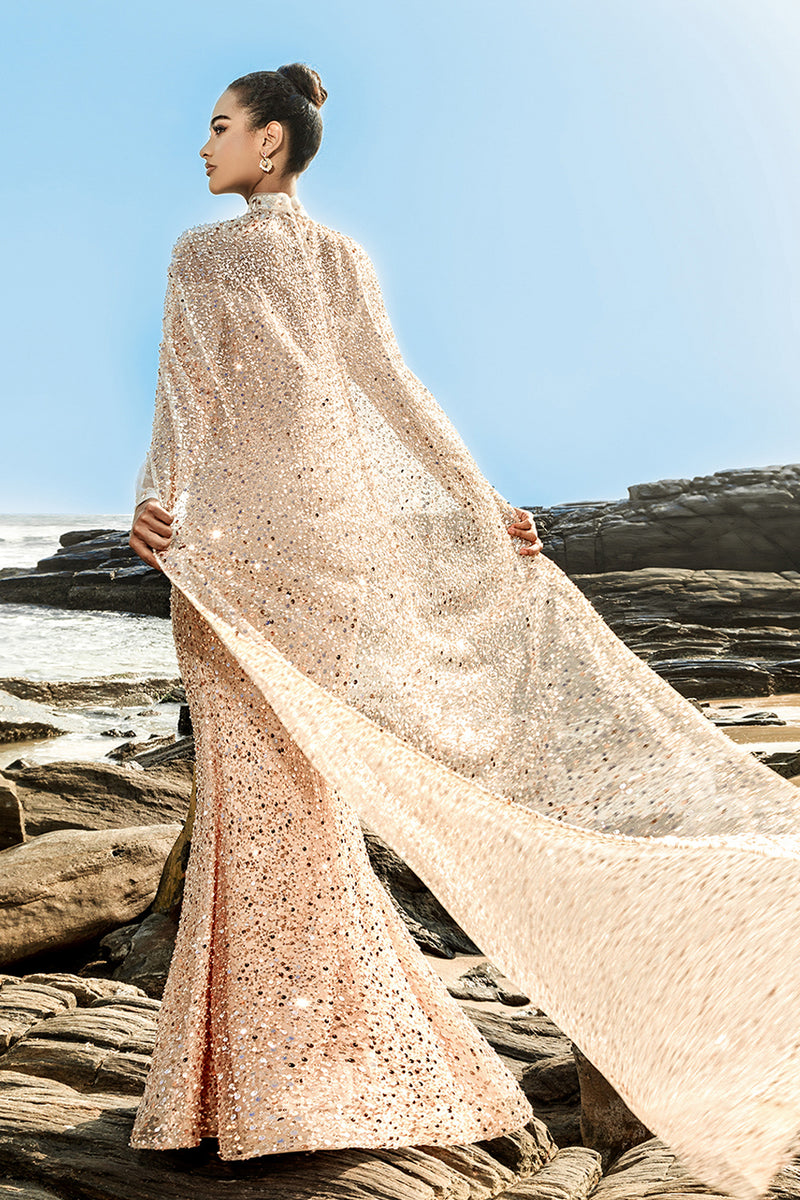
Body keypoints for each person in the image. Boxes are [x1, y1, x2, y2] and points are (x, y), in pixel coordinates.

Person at [128, 63, 800, 1200]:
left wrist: (159, 498)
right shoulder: (343, 257)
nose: (205, 147)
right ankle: (289, 1074)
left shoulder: (205, 254)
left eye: (220, 126)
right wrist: (481, 503)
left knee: (263, 812)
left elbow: (185, 392)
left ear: (270, 142)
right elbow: (399, 393)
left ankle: (269, 1081)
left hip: (240, 551)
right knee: (302, 814)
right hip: (327, 555)